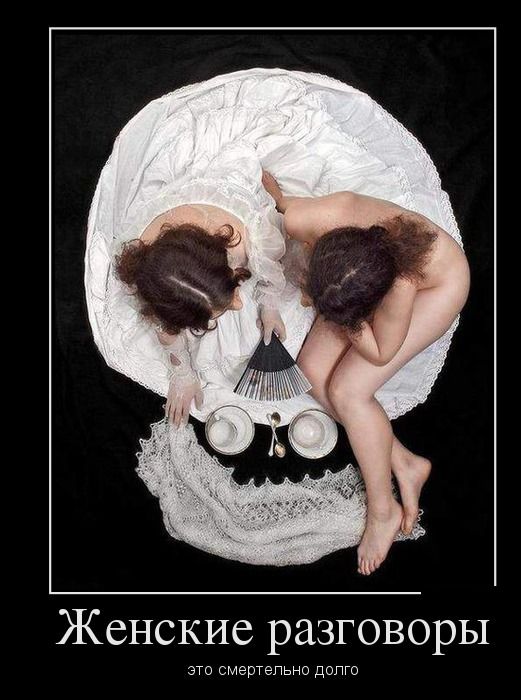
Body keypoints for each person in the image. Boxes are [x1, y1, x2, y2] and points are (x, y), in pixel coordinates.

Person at [262, 171, 470, 576]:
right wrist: (270, 193)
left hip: (438, 288)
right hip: (355, 278)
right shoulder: (320, 217)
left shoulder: (402, 285)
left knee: (348, 391)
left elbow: (380, 351)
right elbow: (282, 205)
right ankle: (404, 462)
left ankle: (383, 509)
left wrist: (349, 321)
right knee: (311, 370)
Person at [115, 202, 286, 427]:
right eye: (216, 315)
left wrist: (269, 306)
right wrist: (183, 374)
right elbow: (167, 330)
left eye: (235, 287)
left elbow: (271, 265)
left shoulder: (244, 243)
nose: (239, 305)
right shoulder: (155, 288)